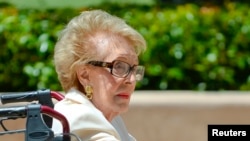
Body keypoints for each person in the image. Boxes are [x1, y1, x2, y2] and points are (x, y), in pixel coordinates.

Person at [52, 9, 147, 141]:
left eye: (133, 68)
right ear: (85, 75)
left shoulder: (109, 118)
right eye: (119, 66)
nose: (131, 80)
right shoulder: (81, 119)